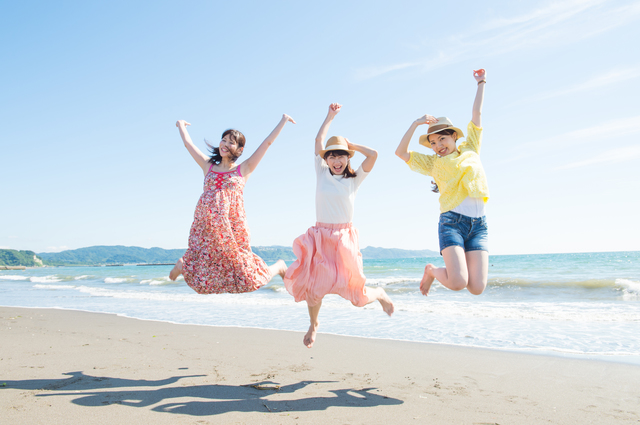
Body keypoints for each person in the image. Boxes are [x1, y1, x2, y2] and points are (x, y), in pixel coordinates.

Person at [284, 103, 394, 349]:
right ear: (326, 159)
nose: (336, 160)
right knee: (313, 287)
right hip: (321, 237)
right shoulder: (321, 171)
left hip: (344, 238)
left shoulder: (354, 179)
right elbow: (318, 139)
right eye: (332, 155)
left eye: (341, 155)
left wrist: (349, 145)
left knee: (357, 295)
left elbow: (374, 154)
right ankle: (314, 325)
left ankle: (379, 294)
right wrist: (329, 116)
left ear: (347, 158)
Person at [169, 114, 295, 294]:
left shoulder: (244, 169)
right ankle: (184, 266)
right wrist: (181, 125)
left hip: (233, 226)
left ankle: (279, 267)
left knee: (247, 278)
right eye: (223, 140)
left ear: (240, 149)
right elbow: (189, 145)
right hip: (207, 224)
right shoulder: (208, 166)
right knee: (205, 283)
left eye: (231, 142)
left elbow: (267, 143)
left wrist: (283, 121)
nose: (225, 144)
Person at [395, 69, 490, 297]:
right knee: (458, 282)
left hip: (479, 225)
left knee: (476, 288)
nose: (438, 146)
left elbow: (477, 113)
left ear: (454, 137)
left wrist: (481, 83)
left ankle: (437, 271)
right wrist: (416, 123)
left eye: (442, 139)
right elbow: (401, 152)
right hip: (452, 223)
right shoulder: (432, 163)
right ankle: (431, 271)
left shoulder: (471, 147)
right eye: (434, 143)